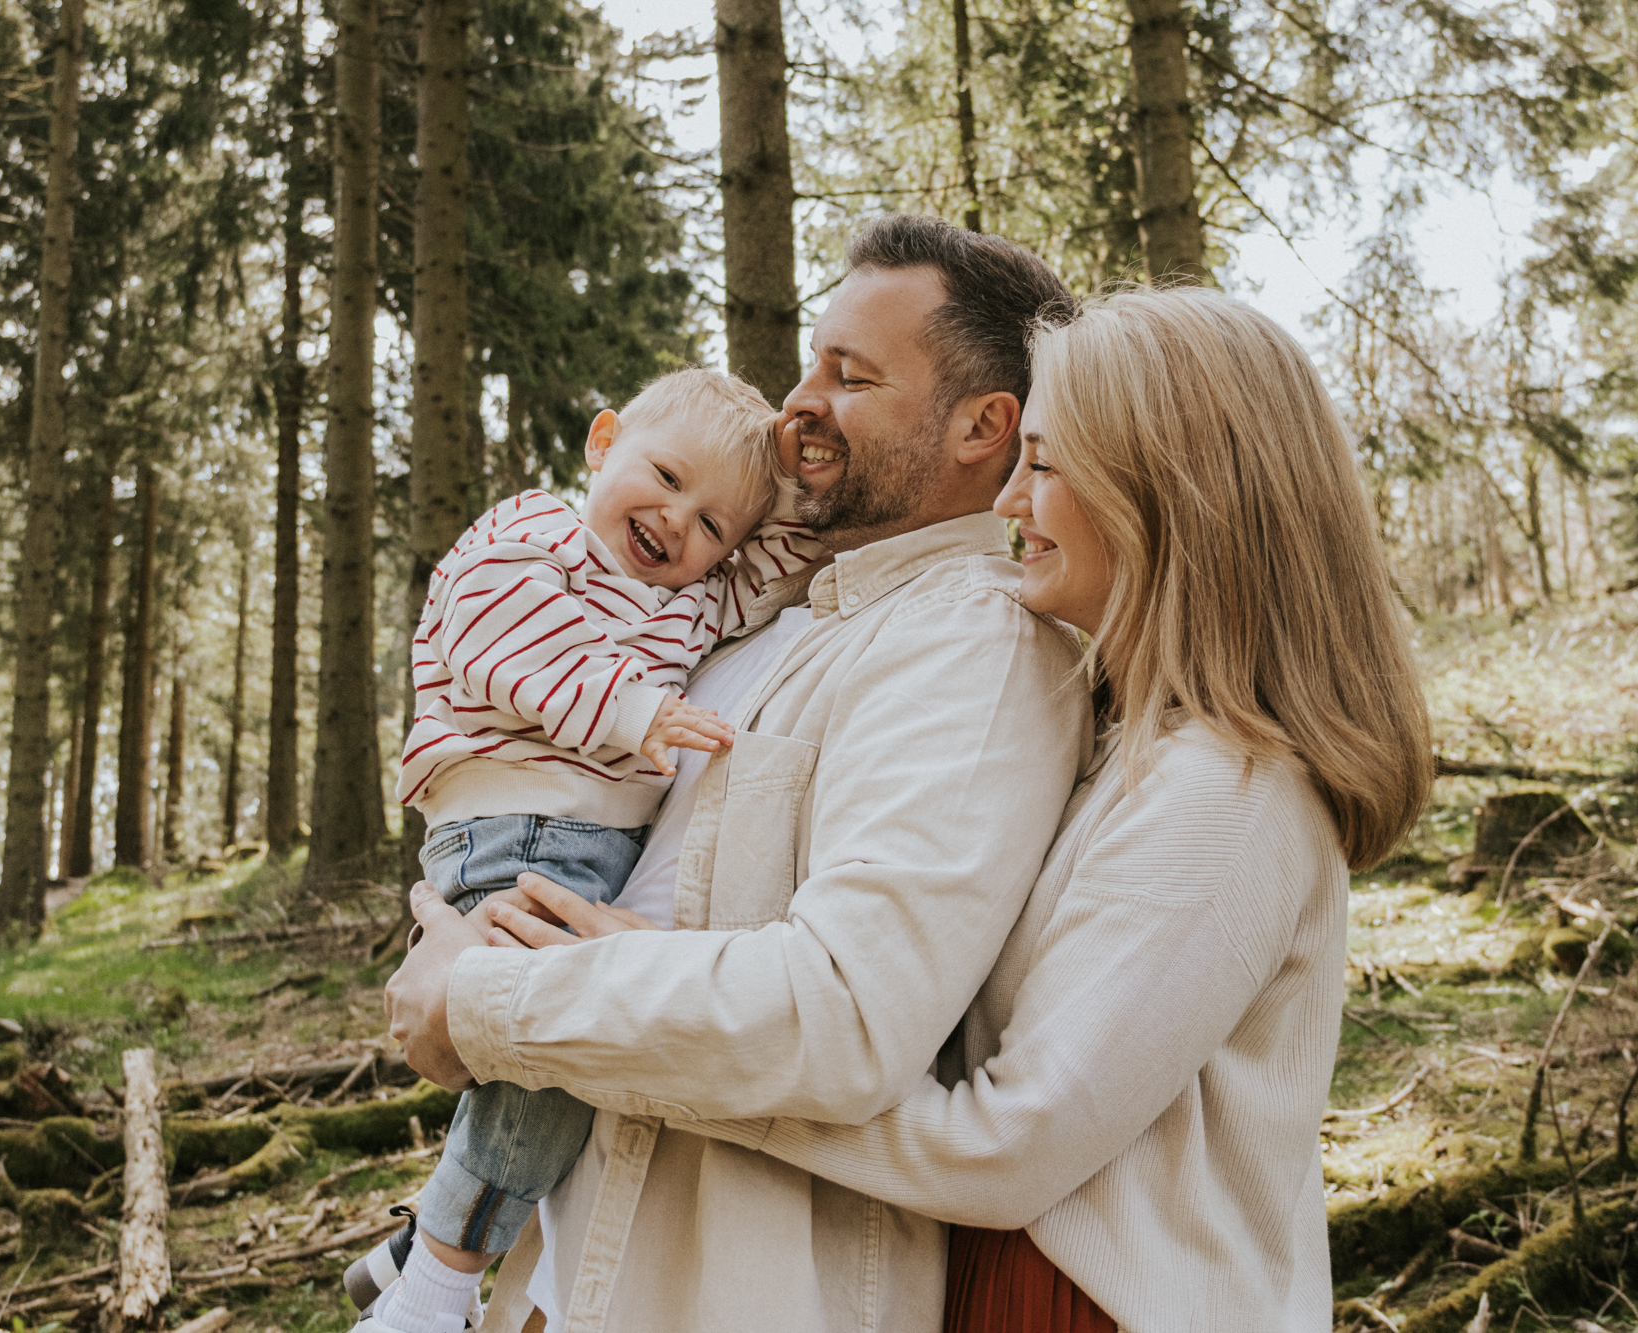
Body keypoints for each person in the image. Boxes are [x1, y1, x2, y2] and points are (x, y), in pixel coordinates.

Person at [465, 285, 1435, 1331]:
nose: (1010, 501)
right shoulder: (1133, 746)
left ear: (1169, 492)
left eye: (1045, 465)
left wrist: (634, 1043)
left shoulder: (1227, 791)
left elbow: (1004, 1144)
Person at [384, 214, 1094, 1332]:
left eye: (850, 376)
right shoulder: (770, 615)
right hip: (571, 1277)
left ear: (981, 425)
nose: (797, 404)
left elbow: (844, 1016)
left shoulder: (972, 645)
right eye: (811, 363)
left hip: (726, 1293)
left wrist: (481, 1000)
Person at [353, 368, 827, 1333]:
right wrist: (633, 710)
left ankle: (405, 1259)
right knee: (558, 1053)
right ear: (603, 442)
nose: (676, 521)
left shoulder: (693, 597)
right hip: (516, 819)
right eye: (666, 476)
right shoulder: (536, 535)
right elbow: (501, 642)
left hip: (583, 840)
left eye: (711, 523)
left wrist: (791, 472)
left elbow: (789, 555)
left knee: (569, 1048)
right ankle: (432, 1291)